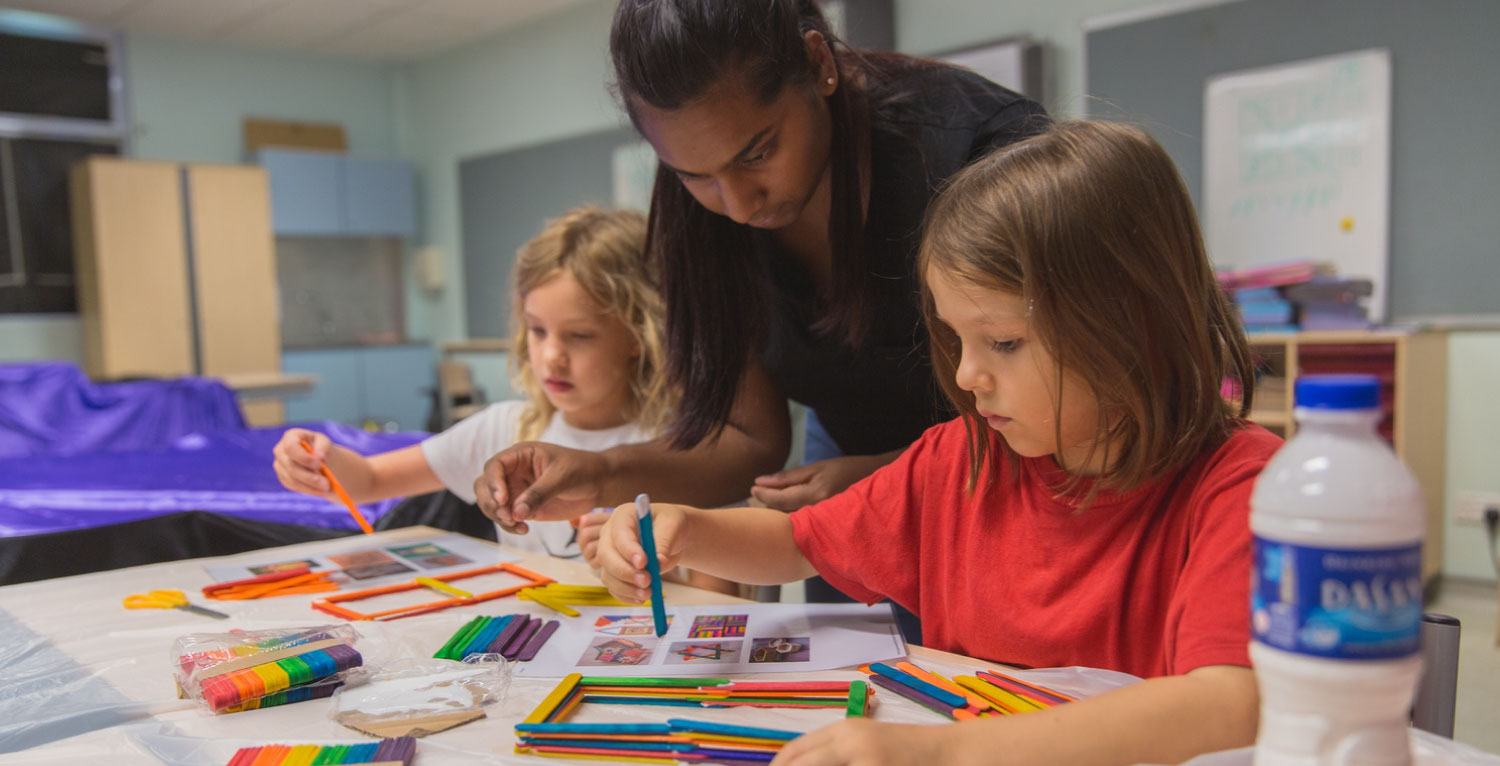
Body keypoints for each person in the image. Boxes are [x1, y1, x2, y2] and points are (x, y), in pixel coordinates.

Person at [594, 121, 1277, 765]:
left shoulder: (1244, 487)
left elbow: (1230, 703)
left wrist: (941, 754)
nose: (967, 374)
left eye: (1003, 342)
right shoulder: (962, 460)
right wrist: (688, 530)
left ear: (1133, 323)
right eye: (956, 338)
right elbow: (799, 542)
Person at [475, 0, 1048, 631]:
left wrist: (883, 478)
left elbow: (1062, 409)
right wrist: (602, 471)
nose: (739, 206)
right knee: (860, 659)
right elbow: (749, 441)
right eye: (695, 175)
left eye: (757, 153)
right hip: (848, 466)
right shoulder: (699, 221)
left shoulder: (980, 153)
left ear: (818, 63)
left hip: (1016, 468)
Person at [272, 207, 672, 559]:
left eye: (580, 335)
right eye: (537, 330)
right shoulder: (504, 430)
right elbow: (371, 479)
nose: (551, 356)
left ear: (639, 333)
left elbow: (706, 583)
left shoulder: (678, 453)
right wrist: (317, 463)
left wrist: (651, 562)